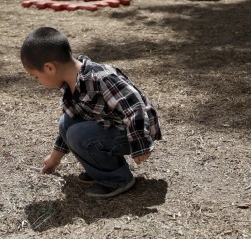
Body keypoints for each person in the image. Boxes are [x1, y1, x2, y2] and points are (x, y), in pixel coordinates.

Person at [21, 26, 162, 198]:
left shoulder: (100, 78)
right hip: (116, 126)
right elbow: (70, 123)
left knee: (79, 135)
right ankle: (100, 169)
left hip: (137, 129)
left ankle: (118, 179)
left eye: (36, 76)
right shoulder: (70, 84)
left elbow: (135, 107)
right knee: (67, 123)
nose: (37, 81)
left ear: (50, 68)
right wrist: (54, 158)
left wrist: (140, 145)